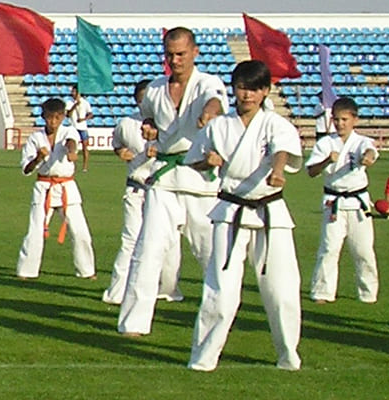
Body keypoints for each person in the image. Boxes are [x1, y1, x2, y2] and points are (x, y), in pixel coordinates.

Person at [185, 60, 303, 372]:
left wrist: (278, 171)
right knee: (221, 291)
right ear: (234, 89)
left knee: (281, 290)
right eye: (241, 87)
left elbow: (282, 151)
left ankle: (288, 355)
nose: (247, 94)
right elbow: (194, 159)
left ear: (265, 91)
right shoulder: (218, 126)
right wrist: (208, 162)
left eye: (254, 88)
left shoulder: (276, 124)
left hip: (270, 211)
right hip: (230, 210)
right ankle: (203, 357)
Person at [118, 27, 229, 337]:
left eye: (181, 54)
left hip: (199, 179)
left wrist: (209, 113)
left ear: (195, 52)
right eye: (170, 54)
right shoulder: (155, 88)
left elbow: (215, 102)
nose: (175, 60)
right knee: (148, 249)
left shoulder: (208, 83)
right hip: (164, 179)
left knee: (210, 252)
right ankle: (133, 322)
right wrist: (150, 128)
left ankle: (221, 314)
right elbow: (148, 117)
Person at [306, 97, 380, 304]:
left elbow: (370, 151)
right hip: (334, 202)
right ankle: (322, 291)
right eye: (337, 119)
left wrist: (368, 157)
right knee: (329, 248)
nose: (340, 124)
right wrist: (326, 160)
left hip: (358, 202)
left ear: (355, 120)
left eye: (345, 119)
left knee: (363, 250)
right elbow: (311, 171)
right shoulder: (325, 143)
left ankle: (368, 292)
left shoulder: (361, 141)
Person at [13, 98, 95, 280]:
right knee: (35, 231)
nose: (53, 122)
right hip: (44, 186)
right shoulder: (35, 138)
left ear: (63, 116)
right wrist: (38, 158)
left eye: (57, 118)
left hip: (66, 186)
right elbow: (26, 170)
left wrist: (71, 152)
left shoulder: (69, 131)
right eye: (50, 118)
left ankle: (87, 270)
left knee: (80, 231)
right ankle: (26, 270)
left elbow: (71, 142)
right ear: (43, 117)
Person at [104, 80, 164, 304]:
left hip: (162, 190)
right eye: (142, 99)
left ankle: (165, 288)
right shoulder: (126, 124)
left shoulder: (169, 123)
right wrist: (120, 151)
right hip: (136, 187)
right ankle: (116, 292)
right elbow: (117, 143)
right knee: (130, 240)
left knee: (164, 241)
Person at [70, 86, 94, 171]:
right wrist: (75, 105)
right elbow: (68, 114)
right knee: (73, 147)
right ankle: (73, 165)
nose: (72, 93)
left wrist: (83, 119)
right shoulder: (69, 102)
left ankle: (85, 166)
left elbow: (91, 114)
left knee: (85, 147)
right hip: (73, 127)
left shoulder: (85, 103)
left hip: (83, 127)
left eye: (74, 91)